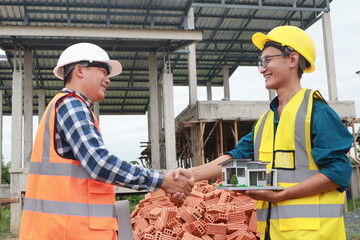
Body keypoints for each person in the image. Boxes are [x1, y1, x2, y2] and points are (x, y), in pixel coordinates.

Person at [173, 25, 353, 240]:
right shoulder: (266, 121)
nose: (262, 69)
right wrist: (189, 176)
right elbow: (235, 158)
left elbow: (338, 172)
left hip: (314, 234)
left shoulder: (317, 112)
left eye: (267, 60)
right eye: (261, 62)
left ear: (292, 59)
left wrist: (282, 195)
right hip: (273, 233)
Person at [19, 42, 193, 240]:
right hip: (69, 232)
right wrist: (162, 180)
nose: (107, 79)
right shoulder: (72, 105)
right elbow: (99, 163)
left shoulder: (71, 107)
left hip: (67, 230)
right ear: (79, 70)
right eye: (103, 71)